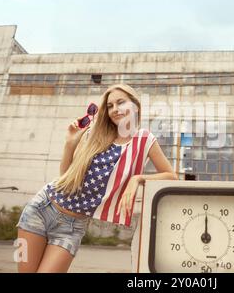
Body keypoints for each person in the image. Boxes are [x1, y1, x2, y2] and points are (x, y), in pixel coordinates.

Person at [16, 83, 178, 272]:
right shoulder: (97, 135)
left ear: (135, 105)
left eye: (120, 102)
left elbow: (171, 177)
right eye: (110, 106)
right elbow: (66, 176)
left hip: (72, 226)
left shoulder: (144, 140)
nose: (115, 110)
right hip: (41, 207)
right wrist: (70, 144)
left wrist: (138, 179)